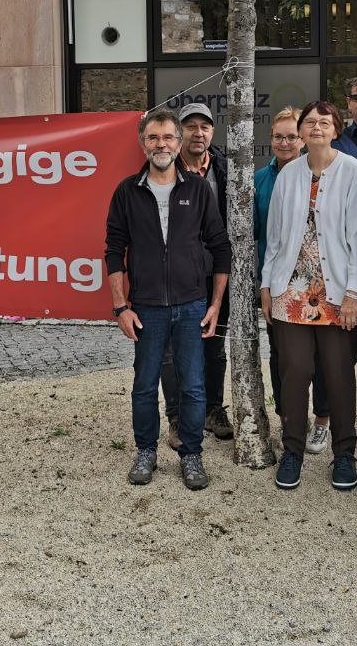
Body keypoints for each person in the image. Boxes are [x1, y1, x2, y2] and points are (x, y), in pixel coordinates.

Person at [104, 110, 230, 490]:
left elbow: (220, 247)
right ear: (143, 142)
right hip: (146, 308)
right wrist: (121, 307)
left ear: (178, 142)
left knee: (193, 386)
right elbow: (114, 250)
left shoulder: (198, 190)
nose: (161, 144)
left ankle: (191, 454)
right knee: (144, 385)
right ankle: (146, 451)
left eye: (168, 137)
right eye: (154, 137)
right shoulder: (127, 192)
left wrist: (215, 304)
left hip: (192, 305)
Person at [261, 101, 357, 491]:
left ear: (336, 130)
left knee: (338, 375)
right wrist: (266, 286)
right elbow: (274, 237)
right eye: (310, 122)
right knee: (294, 372)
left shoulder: (352, 171)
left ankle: (345, 454)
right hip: (290, 291)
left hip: (336, 291)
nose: (317, 127)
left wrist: (354, 292)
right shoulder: (288, 174)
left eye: (325, 122)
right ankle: (292, 451)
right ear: (302, 131)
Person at [255, 107, 332, 453]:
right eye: (278, 137)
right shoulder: (260, 180)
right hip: (280, 284)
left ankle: (322, 420)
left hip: (320, 285)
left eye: (291, 136)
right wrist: (265, 284)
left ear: (302, 138)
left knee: (322, 357)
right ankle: (288, 418)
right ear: (270, 140)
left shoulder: (324, 173)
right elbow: (257, 233)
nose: (285, 143)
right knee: (283, 357)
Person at [160, 102, 233, 445]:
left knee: (214, 345)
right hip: (175, 274)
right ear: (179, 133)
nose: (198, 133)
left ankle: (212, 409)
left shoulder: (224, 168)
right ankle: (177, 418)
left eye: (205, 127)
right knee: (172, 349)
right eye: (190, 127)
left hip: (216, 272)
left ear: (212, 133)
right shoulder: (163, 168)